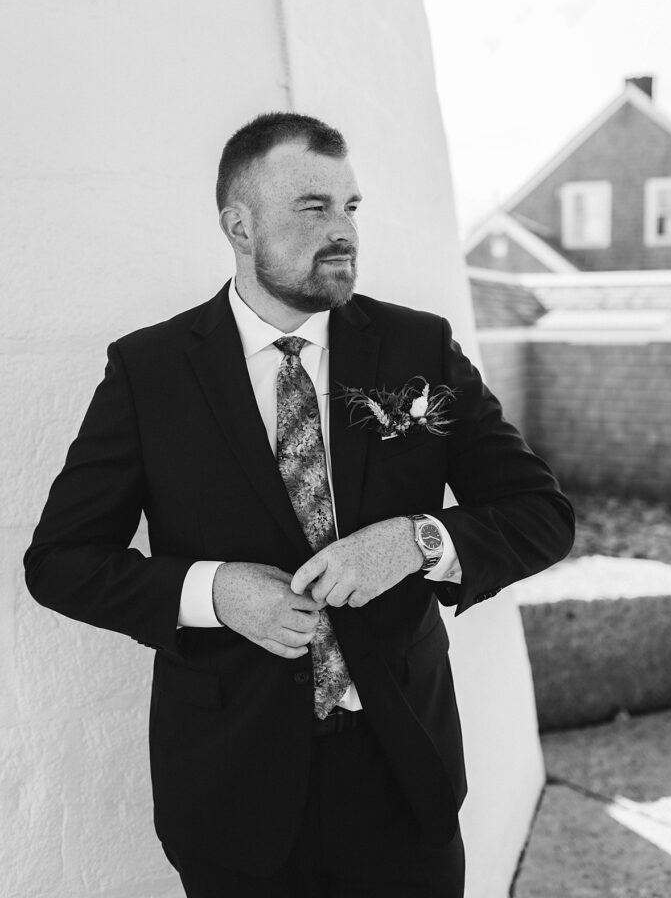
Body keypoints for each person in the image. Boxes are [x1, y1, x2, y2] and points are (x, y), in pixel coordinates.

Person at [24, 112, 574, 898]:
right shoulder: (150, 372)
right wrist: (213, 592)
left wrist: (416, 540)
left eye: (350, 206)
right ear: (239, 226)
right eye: (312, 208)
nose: (342, 230)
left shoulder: (416, 348)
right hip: (230, 788)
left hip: (402, 775)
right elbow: (61, 562)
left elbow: (540, 515)